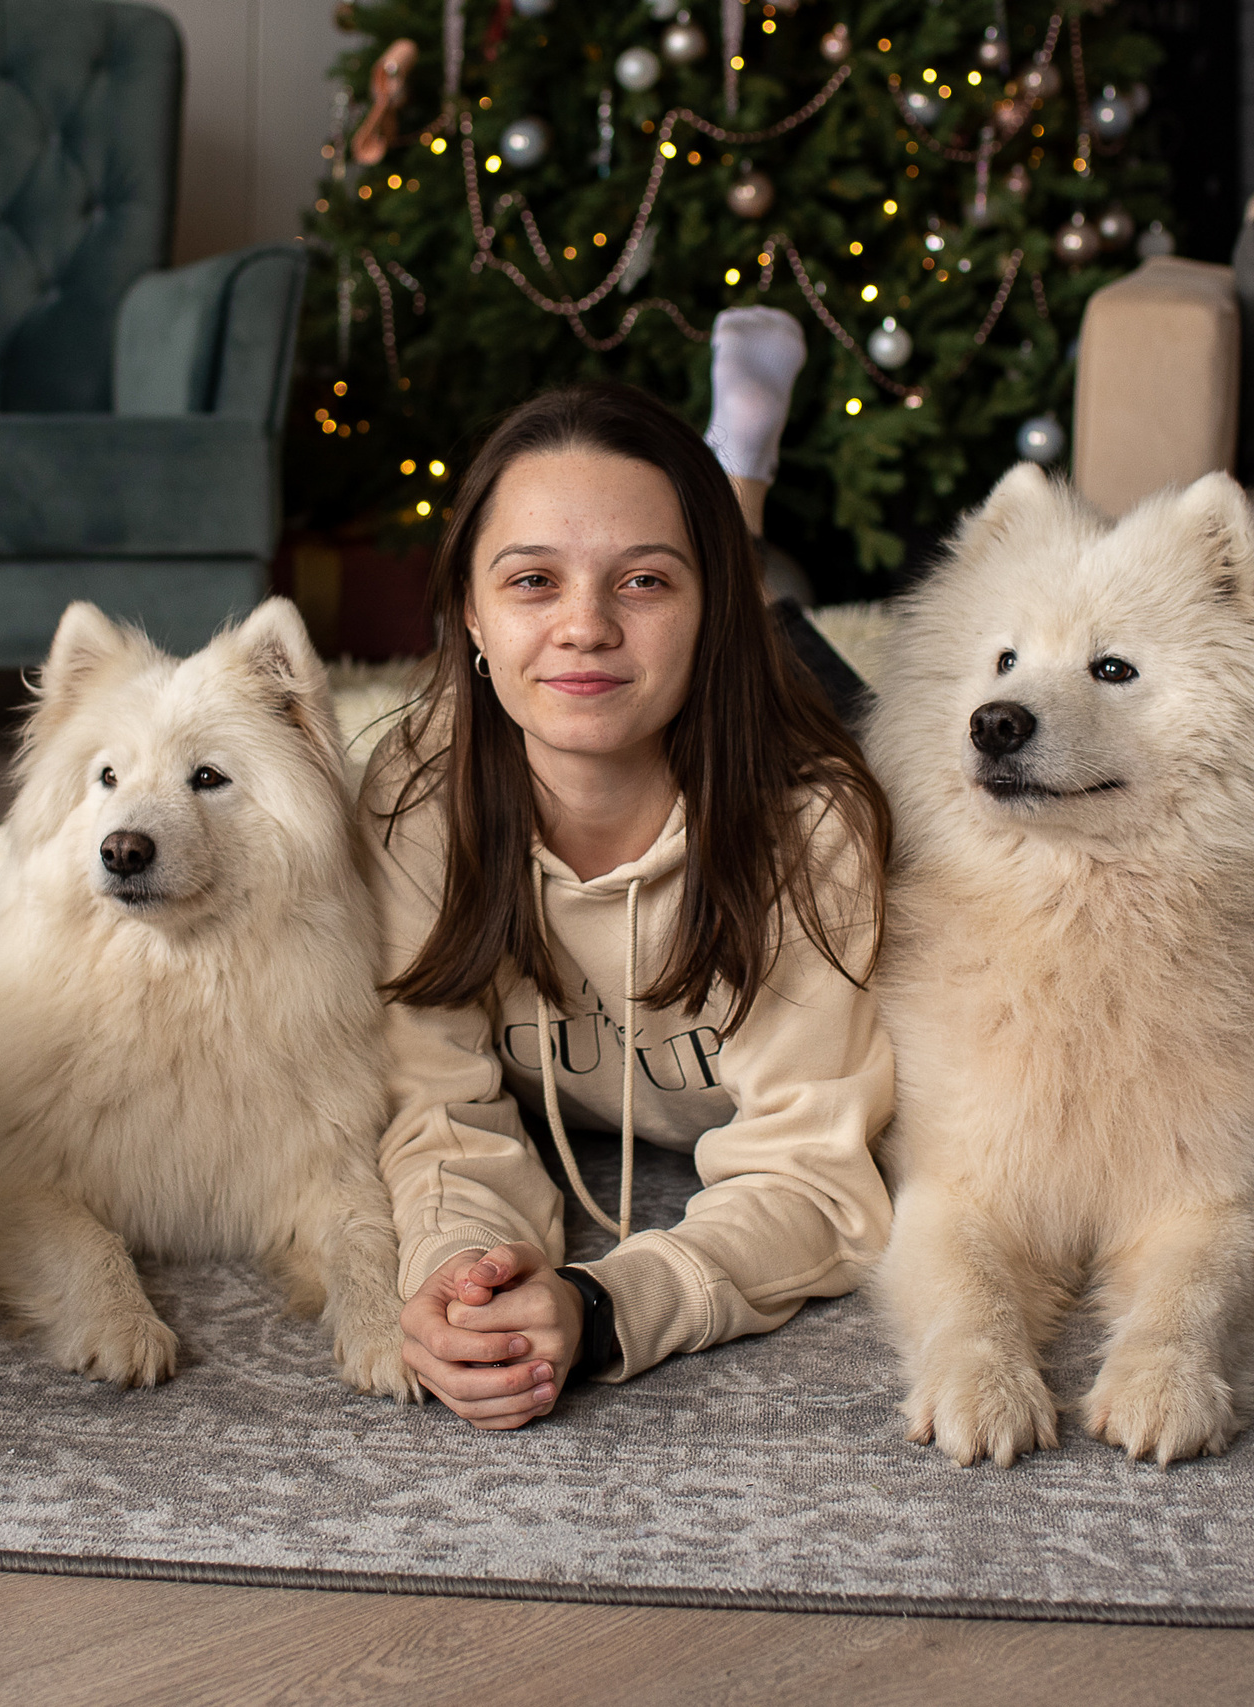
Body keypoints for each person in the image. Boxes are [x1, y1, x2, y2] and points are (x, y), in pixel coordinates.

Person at [367, 312, 895, 1429]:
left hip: (763, 736)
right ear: (468, 613)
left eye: (645, 581)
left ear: (704, 612)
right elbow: (438, 1110)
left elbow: (816, 1182)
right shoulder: (414, 797)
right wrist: (466, 1272)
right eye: (531, 581)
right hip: (664, 685)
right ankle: (719, 498)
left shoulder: (818, 831)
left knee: (861, 714)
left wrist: (608, 1305)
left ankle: (736, 499)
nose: (584, 626)